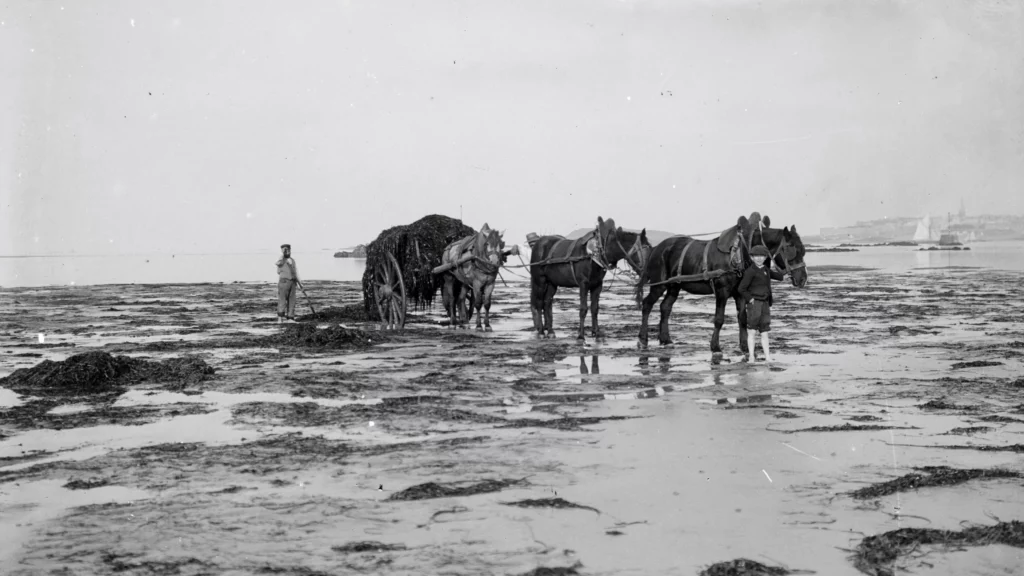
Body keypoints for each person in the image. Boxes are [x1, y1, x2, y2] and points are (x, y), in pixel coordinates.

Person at [737, 245, 785, 362]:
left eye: (762, 256)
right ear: (752, 258)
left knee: (765, 332)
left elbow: (779, 277)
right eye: (756, 256)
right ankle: (751, 357)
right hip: (754, 305)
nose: (759, 258)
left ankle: (768, 357)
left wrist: (785, 271)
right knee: (752, 331)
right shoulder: (750, 271)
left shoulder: (766, 269)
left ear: (765, 258)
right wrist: (750, 299)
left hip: (765, 304)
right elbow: (741, 288)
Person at [276, 244, 300, 323]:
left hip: (293, 282)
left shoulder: (292, 260)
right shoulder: (281, 260)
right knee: (282, 300)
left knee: (292, 300)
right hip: (284, 282)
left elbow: (296, 271)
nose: (287, 251)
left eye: (288, 250)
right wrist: (283, 256)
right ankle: (280, 318)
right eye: (285, 250)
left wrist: (300, 283)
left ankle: (290, 318)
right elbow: (278, 269)